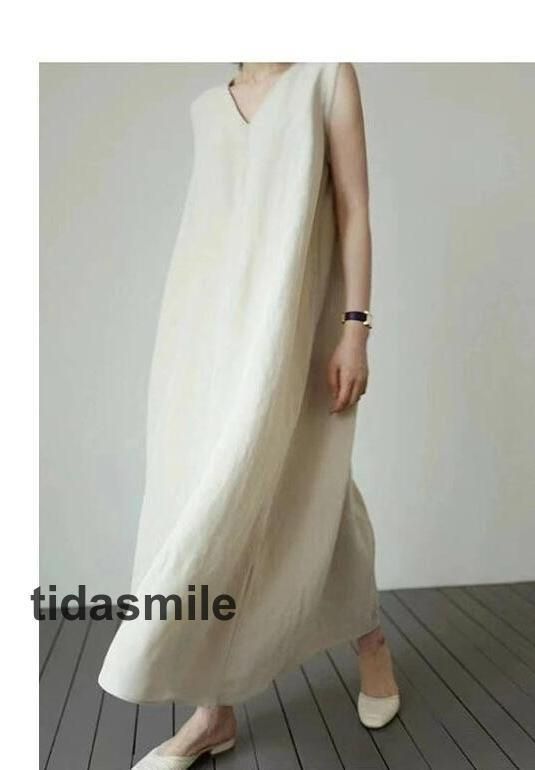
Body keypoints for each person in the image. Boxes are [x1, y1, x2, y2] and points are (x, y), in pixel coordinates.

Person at [97, 62, 399, 769]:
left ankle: (369, 639)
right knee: (207, 496)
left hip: (293, 329)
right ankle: (215, 713)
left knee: (311, 483)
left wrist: (355, 328)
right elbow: (207, 234)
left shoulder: (326, 77)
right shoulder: (208, 108)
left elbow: (353, 207)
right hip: (202, 336)